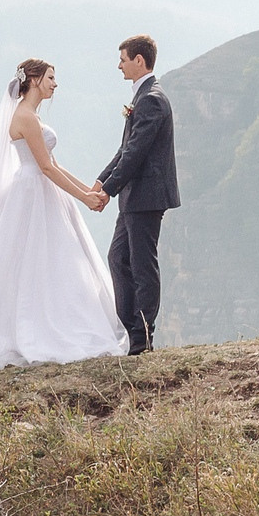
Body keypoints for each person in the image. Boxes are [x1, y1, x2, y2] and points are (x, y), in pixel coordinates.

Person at [0, 58, 128, 371]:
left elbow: (54, 164)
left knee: (48, 261)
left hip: (41, 190)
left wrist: (89, 189)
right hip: (32, 192)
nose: (55, 84)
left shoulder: (31, 115)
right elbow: (44, 167)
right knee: (30, 261)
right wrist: (85, 198)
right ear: (33, 79)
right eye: (51, 77)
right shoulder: (26, 117)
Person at [87, 35, 180, 355]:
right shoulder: (143, 98)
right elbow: (126, 149)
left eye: (123, 59)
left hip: (146, 196)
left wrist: (108, 191)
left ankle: (142, 336)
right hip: (133, 197)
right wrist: (101, 181)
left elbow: (137, 152)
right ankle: (128, 329)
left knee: (142, 265)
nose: (119, 65)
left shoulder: (152, 99)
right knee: (118, 258)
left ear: (139, 60)